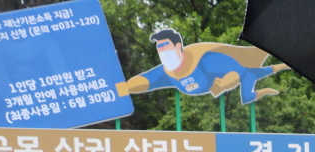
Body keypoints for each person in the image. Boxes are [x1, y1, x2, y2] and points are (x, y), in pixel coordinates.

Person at [116, 29, 289, 105]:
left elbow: (236, 71)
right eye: (159, 48)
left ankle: (279, 67)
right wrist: (124, 89)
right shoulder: (166, 72)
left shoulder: (206, 60)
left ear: (178, 46)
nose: (162, 51)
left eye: (165, 46)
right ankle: (278, 67)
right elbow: (145, 81)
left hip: (241, 75)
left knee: (252, 77)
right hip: (218, 84)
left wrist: (225, 83)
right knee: (259, 74)